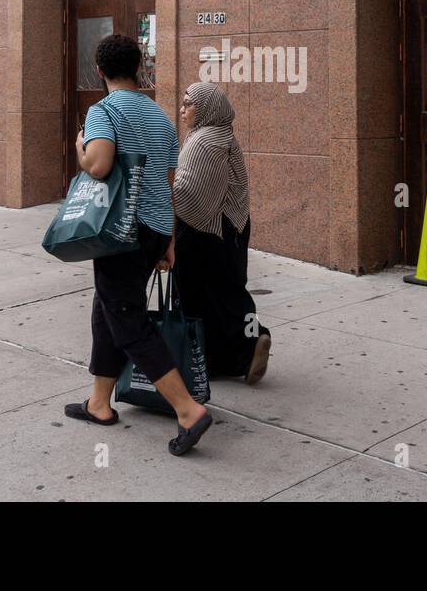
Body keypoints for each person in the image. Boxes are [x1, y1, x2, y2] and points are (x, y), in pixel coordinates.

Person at [63, 34, 213, 456]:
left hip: (119, 234)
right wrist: (169, 241)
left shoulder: (103, 110)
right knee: (107, 308)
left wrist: (80, 146)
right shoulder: (160, 117)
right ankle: (100, 403)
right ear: (140, 65)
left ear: (100, 71)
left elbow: (99, 163)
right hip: (153, 230)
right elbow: (168, 185)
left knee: (127, 318)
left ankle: (188, 411)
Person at [171, 82, 271, 384]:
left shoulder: (204, 141)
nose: (182, 109)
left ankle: (254, 340)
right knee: (231, 291)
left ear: (207, 109)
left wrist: (162, 195)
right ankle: (232, 355)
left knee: (201, 296)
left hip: (206, 228)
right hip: (232, 226)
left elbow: (188, 194)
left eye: (189, 103)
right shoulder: (223, 134)